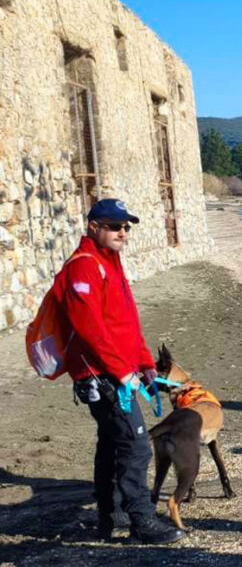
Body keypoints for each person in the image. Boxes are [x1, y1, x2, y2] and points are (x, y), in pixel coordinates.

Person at [56, 199, 185, 544]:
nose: (123, 233)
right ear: (93, 227)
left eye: (126, 227)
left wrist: (144, 364)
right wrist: (121, 371)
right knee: (135, 445)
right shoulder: (84, 266)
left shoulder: (109, 263)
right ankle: (141, 520)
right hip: (102, 376)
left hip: (120, 372)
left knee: (112, 443)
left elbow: (126, 323)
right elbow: (89, 328)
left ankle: (109, 517)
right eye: (115, 226)